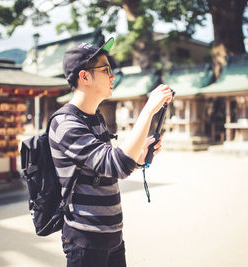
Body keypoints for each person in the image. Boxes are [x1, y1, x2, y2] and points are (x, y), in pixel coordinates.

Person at [48, 37, 173, 266]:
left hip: (112, 235)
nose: (112, 76)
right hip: (85, 239)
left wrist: (139, 158)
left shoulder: (95, 118)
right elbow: (116, 164)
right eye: (106, 70)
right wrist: (148, 110)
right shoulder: (65, 123)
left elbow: (107, 169)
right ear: (85, 76)